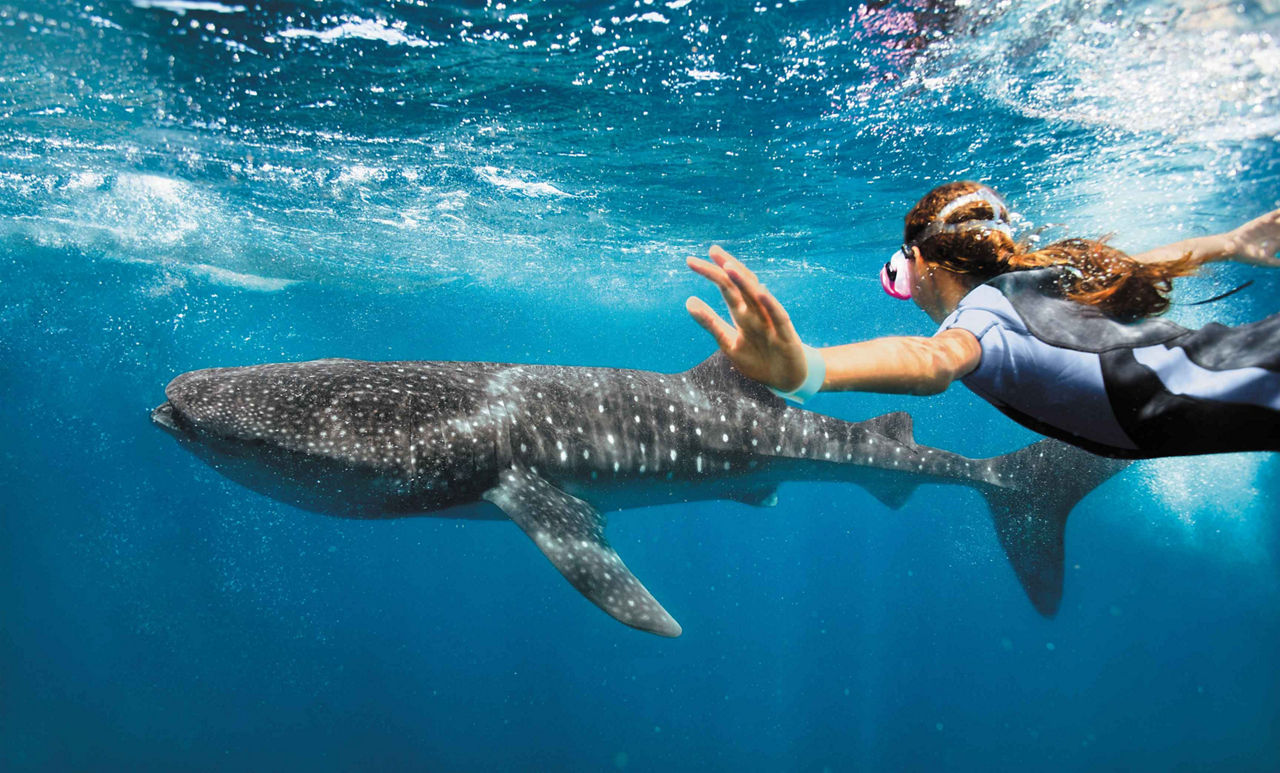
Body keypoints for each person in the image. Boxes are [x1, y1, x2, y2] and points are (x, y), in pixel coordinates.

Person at [685, 181, 1280, 458]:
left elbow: (930, 362)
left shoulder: (987, 316)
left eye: (897, 270)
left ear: (918, 261)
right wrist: (1228, 242)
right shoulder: (1054, 273)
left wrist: (807, 369)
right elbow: (1139, 262)